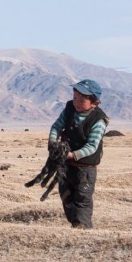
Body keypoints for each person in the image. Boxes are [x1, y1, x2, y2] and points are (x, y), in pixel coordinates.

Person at [48, 79, 109, 229]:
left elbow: (91, 146)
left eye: (82, 100)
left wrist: (71, 155)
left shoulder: (98, 121)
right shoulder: (69, 109)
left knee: (82, 198)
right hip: (67, 165)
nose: (76, 102)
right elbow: (56, 127)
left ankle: (83, 228)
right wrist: (52, 143)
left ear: (94, 103)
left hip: (85, 168)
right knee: (65, 194)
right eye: (75, 98)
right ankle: (75, 224)